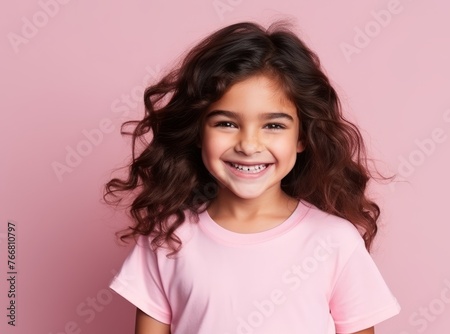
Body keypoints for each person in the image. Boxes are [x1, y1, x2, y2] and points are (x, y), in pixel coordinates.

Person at [105, 21, 401, 334]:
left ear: (302, 137)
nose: (248, 145)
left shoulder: (335, 241)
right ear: (197, 132)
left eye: (273, 126)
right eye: (226, 124)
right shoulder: (167, 237)